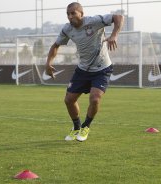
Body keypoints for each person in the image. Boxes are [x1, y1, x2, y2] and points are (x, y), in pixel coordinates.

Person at [45, 2, 124, 142]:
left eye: (73, 13)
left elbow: (118, 17)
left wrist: (114, 35)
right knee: (69, 100)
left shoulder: (94, 21)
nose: (70, 16)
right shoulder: (67, 29)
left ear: (81, 13)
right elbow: (55, 45)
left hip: (102, 69)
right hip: (83, 70)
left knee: (95, 98)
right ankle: (76, 128)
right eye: (68, 14)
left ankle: (86, 127)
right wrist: (48, 63)